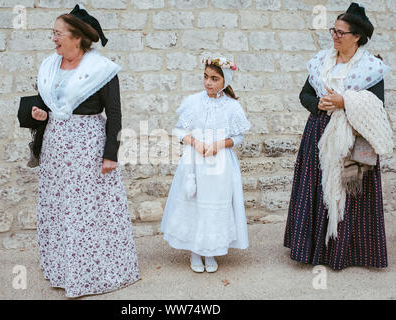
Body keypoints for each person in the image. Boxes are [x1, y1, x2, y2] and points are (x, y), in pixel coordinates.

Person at [19, 4, 140, 297]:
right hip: (56, 148)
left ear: (76, 37)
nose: (53, 38)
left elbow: (115, 114)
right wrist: (40, 115)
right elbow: (53, 108)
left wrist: (111, 154)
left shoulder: (102, 70)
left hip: (89, 146)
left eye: (58, 33)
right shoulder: (50, 65)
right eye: (53, 33)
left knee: (88, 211)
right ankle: (64, 270)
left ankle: (93, 275)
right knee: (61, 208)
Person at [284, 3, 392, 270]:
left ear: (357, 36)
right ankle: (314, 250)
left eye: (341, 32)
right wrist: (317, 104)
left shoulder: (370, 67)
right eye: (334, 30)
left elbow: (376, 103)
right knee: (316, 188)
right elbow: (305, 95)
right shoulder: (322, 62)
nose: (334, 36)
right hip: (319, 134)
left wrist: (345, 101)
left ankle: (348, 253)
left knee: (352, 189)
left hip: (354, 135)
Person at [161, 57, 251, 273]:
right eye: (205, 77)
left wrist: (220, 144)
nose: (208, 82)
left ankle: (210, 250)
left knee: (214, 203)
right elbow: (180, 130)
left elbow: (239, 137)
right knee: (194, 201)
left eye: (214, 78)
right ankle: (195, 250)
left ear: (224, 81)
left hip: (219, 164)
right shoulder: (193, 102)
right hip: (195, 162)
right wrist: (196, 142)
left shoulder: (232, 107)